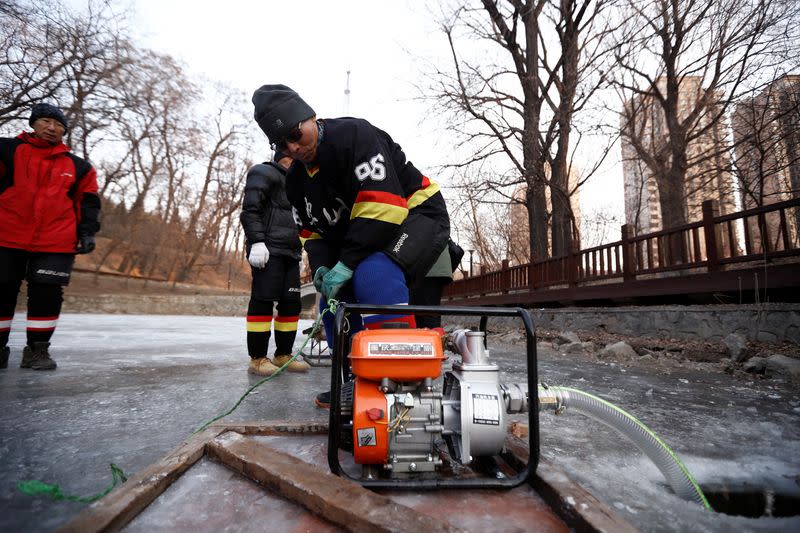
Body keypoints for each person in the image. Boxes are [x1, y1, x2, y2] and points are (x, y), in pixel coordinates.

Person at [251, 84, 451, 407]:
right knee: (334, 299)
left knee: (373, 275)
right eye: (283, 144)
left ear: (309, 117)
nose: (293, 147)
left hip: (416, 213)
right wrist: (322, 268)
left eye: (295, 134)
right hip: (368, 232)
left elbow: (383, 209)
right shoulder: (295, 182)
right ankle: (358, 381)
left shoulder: (353, 135)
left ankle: (400, 376)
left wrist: (347, 262)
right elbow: (312, 233)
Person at [0, 103, 101, 370]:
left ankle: (37, 351)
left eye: (58, 125)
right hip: (6, 234)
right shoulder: (6, 150)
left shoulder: (79, 167)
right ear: (33, 123)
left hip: (55, 241)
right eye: (46, 121)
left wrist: (87, 232)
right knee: (2, 290)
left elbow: (88, 201)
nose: (52, 128)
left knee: (47, 294)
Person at [240, 149, 310, 376]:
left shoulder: (299, 184)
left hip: (291, 252)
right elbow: (250, 210)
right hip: (268, 250)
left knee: (291, 305)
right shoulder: (264, 172)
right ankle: (258, 358)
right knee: (263, 300)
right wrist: (257, 241)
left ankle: (283, 354)